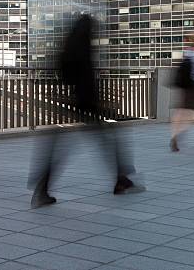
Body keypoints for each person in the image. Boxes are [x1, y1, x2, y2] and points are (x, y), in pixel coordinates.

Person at [29, 14, 142, 208]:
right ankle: (121, 180)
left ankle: (43, 188)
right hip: (86, 104)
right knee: (109, 140)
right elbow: (87, 78)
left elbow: (64, 72)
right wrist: (96, 101)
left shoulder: (68, 46)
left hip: (71, 103)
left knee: (63, 148)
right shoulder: (84, 48)